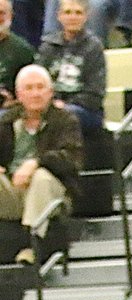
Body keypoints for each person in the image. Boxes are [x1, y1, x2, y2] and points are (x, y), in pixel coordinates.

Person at [0, 63, 80, 265]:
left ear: (50, 92)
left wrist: (36, 163)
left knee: (40, 178)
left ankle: (32, 244)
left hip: (53, 194)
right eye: (29, 88)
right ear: (18, 94)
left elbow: (71, 159)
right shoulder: (6, 122)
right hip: (14, 191)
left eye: (40, 87)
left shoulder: (65, 120)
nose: (35, 93)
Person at [34, 0, 102, 134]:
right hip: (49, 105)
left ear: (85, 16)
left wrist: (64, 104)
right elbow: (37, 80)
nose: (72, 17)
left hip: (84, 110)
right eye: (68, 12)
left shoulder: (94, 48)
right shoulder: (48, 47)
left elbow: (95, 94)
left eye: (78, 13)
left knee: (59, 116)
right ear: (59, 16)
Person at [0, 0, 35, 105]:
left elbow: (29, 91)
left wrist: (13, 102)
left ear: (11, 16)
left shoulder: (22, 50)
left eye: (1, 13)